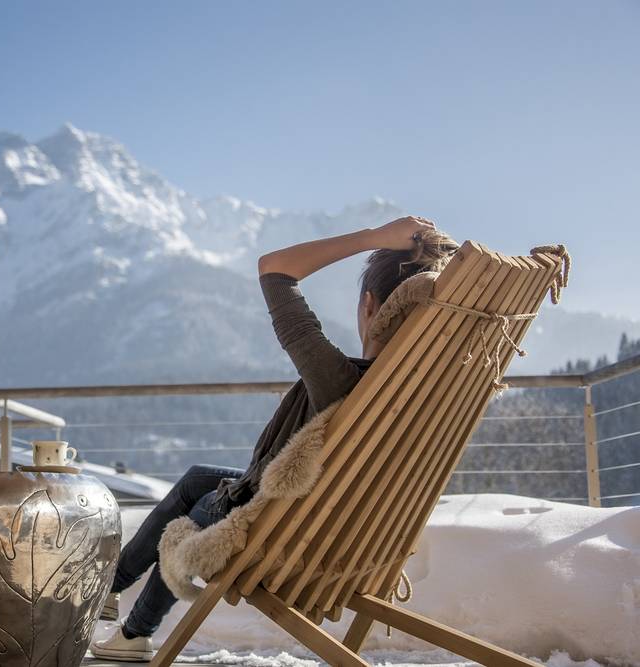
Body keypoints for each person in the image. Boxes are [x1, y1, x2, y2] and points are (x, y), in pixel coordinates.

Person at [89, 216, 459, 662]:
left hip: (285, 533)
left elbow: (275, 269)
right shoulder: (428, 396)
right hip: (346, 531)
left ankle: (133, 631)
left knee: (204, 504)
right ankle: (110, 591)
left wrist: (374, 237)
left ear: (368, 306)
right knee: (198, 478)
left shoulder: (340, 379)